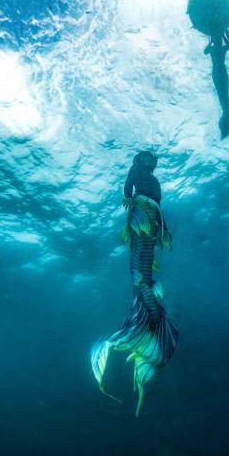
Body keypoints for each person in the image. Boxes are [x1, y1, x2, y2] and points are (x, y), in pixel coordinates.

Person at [91, 151, 178, 416]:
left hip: (147, 216)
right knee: (140, 275)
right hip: (146, 216)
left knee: (139, 275)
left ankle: (151, 318)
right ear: (144, 161)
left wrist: (163, 228)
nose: (152, 162)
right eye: (149, 159)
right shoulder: (141, 174)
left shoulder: (145, 177)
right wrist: (131, 200)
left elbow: (137, 193)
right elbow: (130, 189)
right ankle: (152, 317)